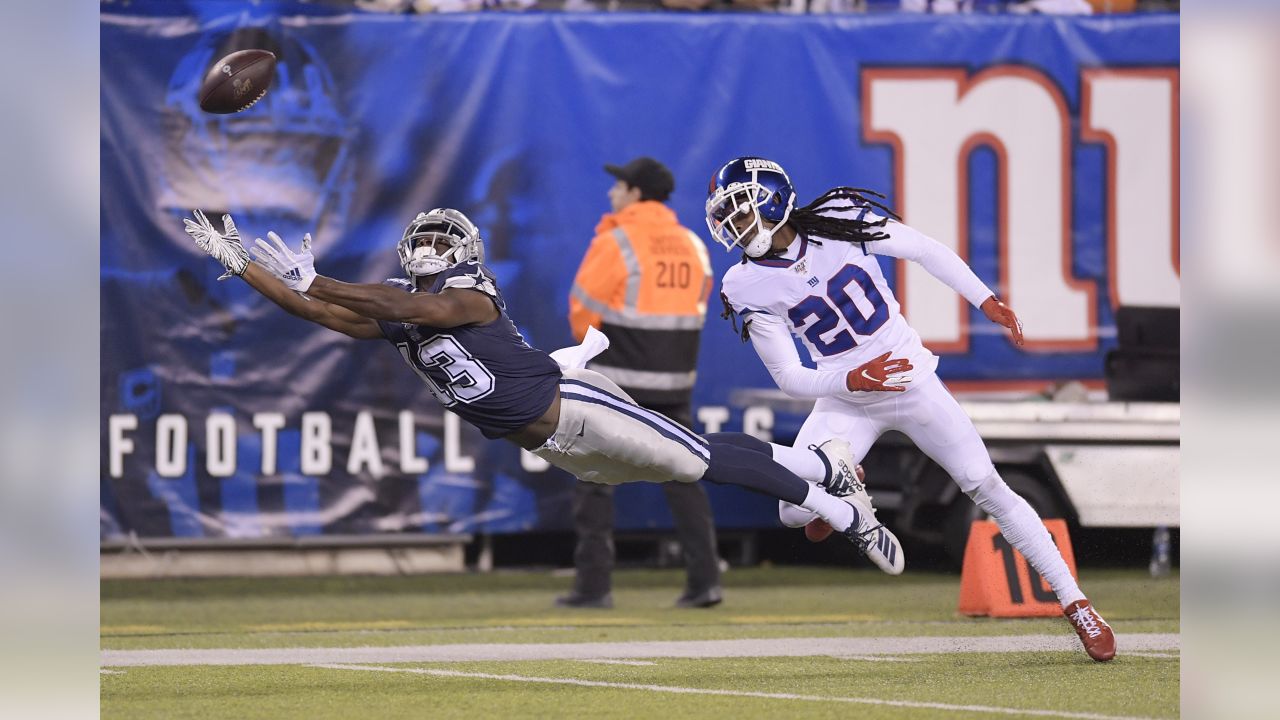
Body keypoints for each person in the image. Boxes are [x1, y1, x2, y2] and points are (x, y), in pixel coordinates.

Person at [181, 207, 906, 588]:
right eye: (423, 237)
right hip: (558, 446)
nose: (431, 247)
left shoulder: (467, 298)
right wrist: (244, 264)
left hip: (576, 403)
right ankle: (822, 463)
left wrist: (321, 280)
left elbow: (382, 304)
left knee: (691, 465)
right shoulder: (398, 311)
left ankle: (843, 508)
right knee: (695, 456)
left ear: (464, 251)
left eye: (443, 237)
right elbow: (323, 313)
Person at [704, 156, 1116, 662]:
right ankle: (843, 482)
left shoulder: (841, 219)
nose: (730, 225)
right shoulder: (743, 284)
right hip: (845, 396)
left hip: (910, 382)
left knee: (987, 486)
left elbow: (922, 250)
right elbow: (790, 377)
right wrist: (852, 378)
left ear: (769, 200)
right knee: (790, 511)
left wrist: (985, 299)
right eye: (726, 215)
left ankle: (1077, 604)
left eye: (738, 211)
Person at [564, 157, 720, 609]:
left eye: (618, 185)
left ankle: (594, 588)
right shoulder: (694, 244)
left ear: (633, 192)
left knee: (591, 476)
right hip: (675, 384)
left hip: (617, 384)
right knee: (686, 476)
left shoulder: (616, 240)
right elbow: (697, 306)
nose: (612, 192)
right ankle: (704, 582)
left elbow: (581, 317)